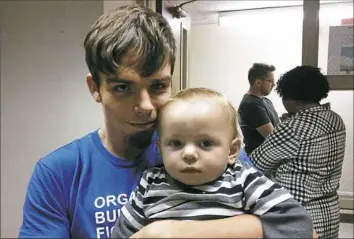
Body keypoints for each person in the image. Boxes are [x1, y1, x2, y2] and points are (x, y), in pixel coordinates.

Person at [19, 4, 263, 238]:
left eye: (158, 86)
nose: (145, 106)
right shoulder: (59, 172)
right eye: (123, 87)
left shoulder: (207, 149)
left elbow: (282, 222)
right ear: (95, 88)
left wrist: (173, 233)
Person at [112, 88, 314, 239]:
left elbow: (297, 223)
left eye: (205, 143)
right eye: (175, 143)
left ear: (232, 151)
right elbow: (123, 234)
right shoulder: (151, 182)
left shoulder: (243, 179)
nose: (189, 153)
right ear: (160, 148)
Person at [250, 66, 346, 239]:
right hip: (329, 214)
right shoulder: (335, 120)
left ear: (290, 96)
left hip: (296, 215)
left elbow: (255, 164)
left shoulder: (292, 128)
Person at [238, 63, 279, 155]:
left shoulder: (266, 101)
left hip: (269, 158)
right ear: (258, 82)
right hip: (258, 161)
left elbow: (278, 128)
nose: (274, 85)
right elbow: (273, 137)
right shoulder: (251, 104)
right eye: (270, 81)